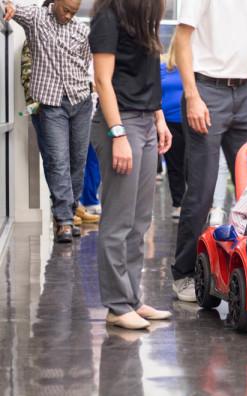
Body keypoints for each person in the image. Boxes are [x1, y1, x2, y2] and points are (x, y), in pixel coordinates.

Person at [170, 0, 247, 302]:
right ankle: (184, 273)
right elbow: (182, 39)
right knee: (203, 188)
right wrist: (192, 95)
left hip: (246, 93)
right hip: (207, 89)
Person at [89, 0, 173, 330]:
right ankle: (116, 304)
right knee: (118, 221)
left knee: (140, 221)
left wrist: (160, 119)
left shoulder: (143, 22)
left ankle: (132, 298)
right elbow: (102, 80)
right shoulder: (108, 19)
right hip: (119, 123)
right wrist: (118, 133)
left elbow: (149, 80)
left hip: (146, 122)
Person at [4, 0, 93, 242]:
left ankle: (70, 211)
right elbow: (9, 7)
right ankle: (63, 220)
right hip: (51, 105)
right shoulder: (37, 18)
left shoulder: (82, 30)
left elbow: (85, 63)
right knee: (58, 161)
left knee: (78, 161)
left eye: (73, 12)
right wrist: (7, 8)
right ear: (56, 2)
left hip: (81, 102)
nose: (68, 16)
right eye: (65, 10)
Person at [160, 37, 186, 221]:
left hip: (191, 122)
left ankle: (195, 204)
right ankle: (178, 204)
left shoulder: (194, 69)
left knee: (193, 166)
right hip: (169, 122)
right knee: (174, 166)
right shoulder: (163, 68)